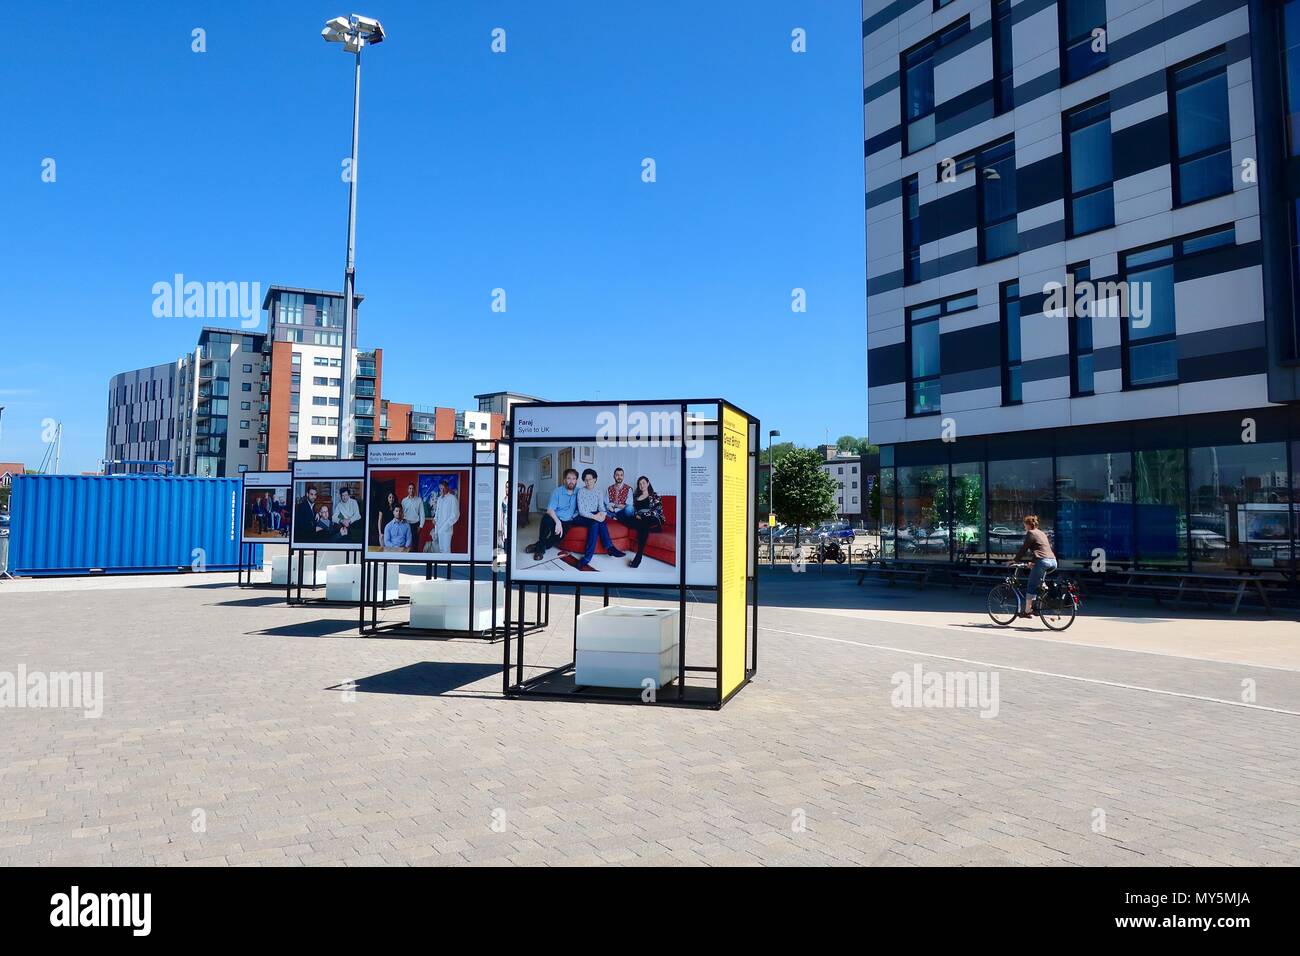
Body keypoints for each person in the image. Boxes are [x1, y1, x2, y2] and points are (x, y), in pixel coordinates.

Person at [572, 468, 626, 570]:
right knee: (596, 522)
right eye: (586, 480)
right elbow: (582, 511)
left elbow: (601, 507)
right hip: (580, 517)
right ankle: (608, 548)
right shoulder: (581, 492)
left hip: (593, 515)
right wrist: (596, 517)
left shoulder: (599, 492)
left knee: (598, 521)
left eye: (590, 479)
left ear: (595, 479)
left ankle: (592, 556)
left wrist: (603, 515)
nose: (588, 482)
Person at [528, 468, 580, 560]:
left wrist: (573, 516)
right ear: (564, 480)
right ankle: (539, 551)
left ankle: (537, 545)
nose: (571, 481)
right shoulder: (557, 491)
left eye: (574, 478)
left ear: (576, 480)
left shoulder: (579, 492)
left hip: (567, 522)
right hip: (555, 518)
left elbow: (582, 507)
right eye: (569, 478)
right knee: (546, 518)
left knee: (555, 540)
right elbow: (550, 509)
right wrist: (558, 522)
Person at [1012, 514, 1056, 617]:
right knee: (1038, 581)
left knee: (1031, 585)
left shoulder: (1030, 533)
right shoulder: (1041, 533)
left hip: (1043, 561)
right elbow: (1041, 549)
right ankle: (1038, 602)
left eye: (1024, 525)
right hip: (1053, 561)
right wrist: (1033, 562)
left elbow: (1024, 549)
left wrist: (1014, 560)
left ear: (1028, 525)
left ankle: (1027, 611)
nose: (1024, 527)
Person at [624, 476, 664, 568]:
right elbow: (633, 510)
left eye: (644, 483)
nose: (642, 485)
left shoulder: (655, 495)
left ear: (648, 483)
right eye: (640, 484)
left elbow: (658, 510)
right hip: (641, 519)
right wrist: (637, 515)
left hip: (653, 518)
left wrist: (642, 515)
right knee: (627, 520)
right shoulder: (636, 497)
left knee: (644, 522)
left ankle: (639, 556)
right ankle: (653, 529)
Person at [432, 479, 460, 553]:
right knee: (440, 550)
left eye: (443, 488)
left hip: (447, 530)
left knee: (446, 550)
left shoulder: (452, 498)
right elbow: (437, 512)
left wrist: (445, 526)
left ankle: (448, 564)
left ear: (447, 487)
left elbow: (455, 515)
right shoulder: (439, 499)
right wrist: (435, 519)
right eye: (440, 488)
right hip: (438, 528)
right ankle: (441, 565)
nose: (442, 490)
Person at [401, 482, 426, 551]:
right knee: (406, 543)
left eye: (413, 488)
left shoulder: (419, 500)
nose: (411, 490)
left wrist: (421, 526)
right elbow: (401, 513)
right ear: (408, 490)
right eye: (410, 488)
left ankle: (415, 560)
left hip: (415, 525)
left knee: (415, 544)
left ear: (415, 490)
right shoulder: (404, 501)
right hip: (406, 524)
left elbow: (422, 514)